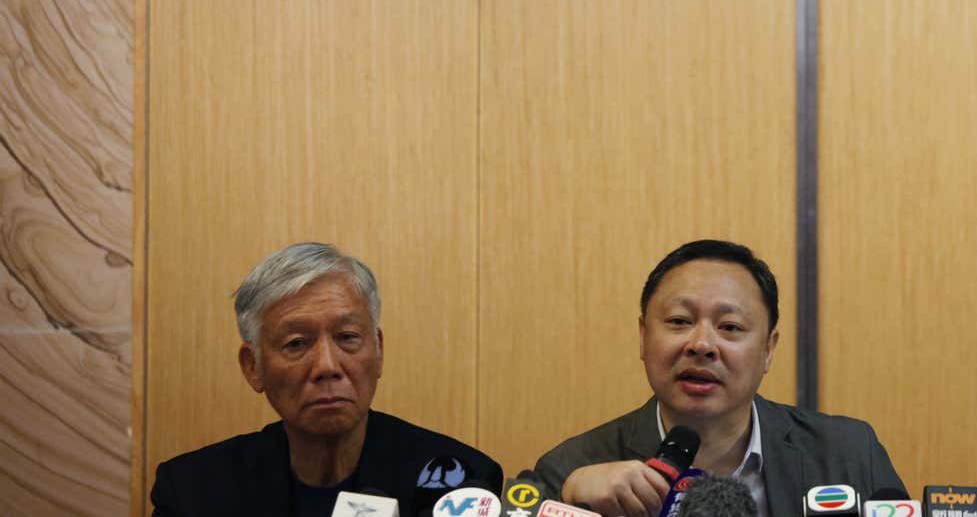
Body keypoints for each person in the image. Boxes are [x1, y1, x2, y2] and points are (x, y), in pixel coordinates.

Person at [529, 239, 902, 517]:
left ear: (768, 350)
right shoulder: (570, 470)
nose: (703, 344)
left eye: (730, 326)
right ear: (643, 336)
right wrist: (568, 501)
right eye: (679, 321)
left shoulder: (849, 454)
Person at [150, 242, 501, 516]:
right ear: (252, 365)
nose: (327, 366)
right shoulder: (193, 492)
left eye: (347, 337)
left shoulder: (457, 483)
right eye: (297, 343)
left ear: (377, 350)